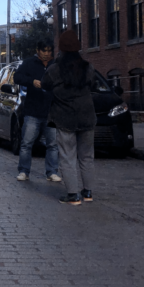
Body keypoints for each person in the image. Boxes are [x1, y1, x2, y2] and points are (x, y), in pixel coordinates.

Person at [41, 29, 98, 206]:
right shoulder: (88, 67)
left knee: (67, 157)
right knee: (87, 156)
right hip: (87, 117)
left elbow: (45, 85)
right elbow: (94, 85)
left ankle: (73, 195)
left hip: (65, 118)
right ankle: (87, 192)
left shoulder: (54, 69)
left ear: (61, 49)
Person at [12, 39, 61, 183]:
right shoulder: (29, 63)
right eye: (44, 51)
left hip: (51, 112)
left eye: (49, 51)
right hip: (32, 111)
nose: (46, 54)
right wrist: (32, 81)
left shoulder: (55, 65)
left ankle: (52, 172)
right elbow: (17, 77)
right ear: (38, 50)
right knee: (27, 143)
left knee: (53, 144)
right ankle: (24, 171)